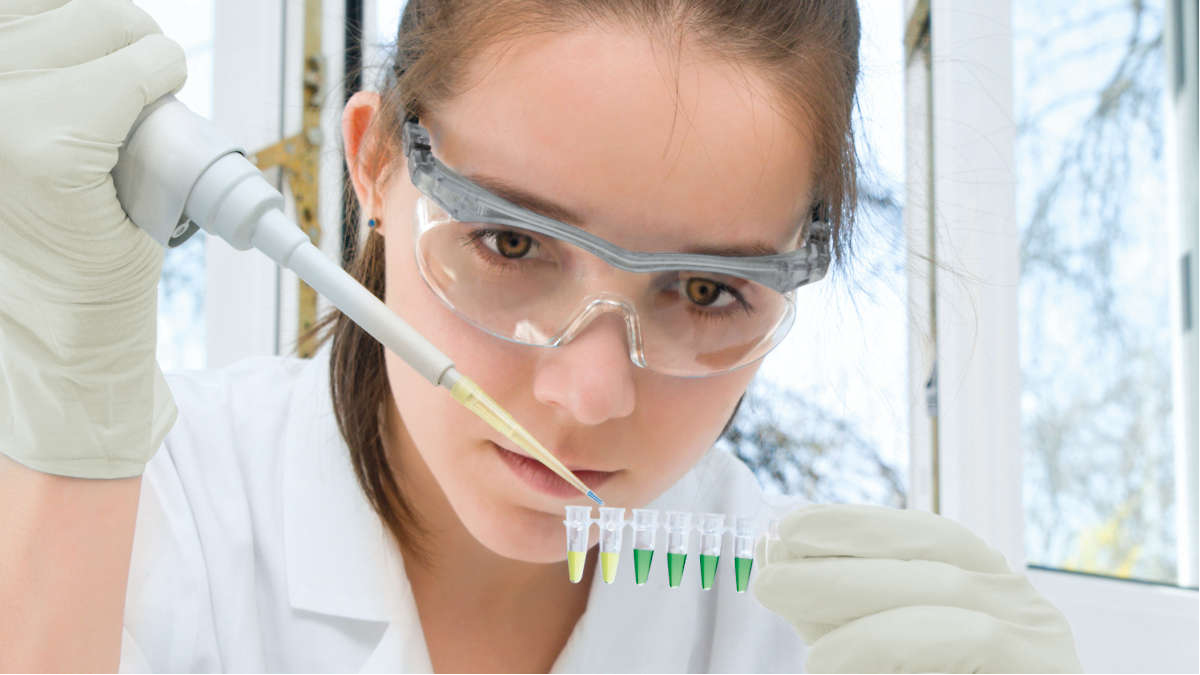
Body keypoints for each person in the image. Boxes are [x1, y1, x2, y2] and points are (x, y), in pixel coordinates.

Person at [0, 0, 1083, 672]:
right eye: (511, 244)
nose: (588, 394)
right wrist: (61, 457)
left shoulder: (801, 635)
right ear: (374, 164)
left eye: (708, 291)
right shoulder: (153, 511)